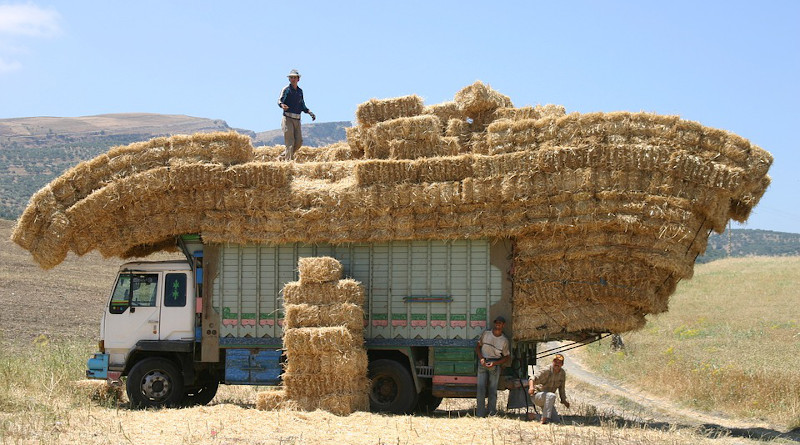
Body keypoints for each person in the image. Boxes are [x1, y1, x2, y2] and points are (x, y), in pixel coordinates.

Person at [475, 315, 511, 417]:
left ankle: (492, 413)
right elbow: (477, 347)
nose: (497, 324)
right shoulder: (486, 334)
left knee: (492, 390)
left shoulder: (504, 340)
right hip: (483, 362)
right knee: (481, 389)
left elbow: (507, 357)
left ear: (503, 325)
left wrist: (495, 363)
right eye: (496, 322)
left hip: (494, 365)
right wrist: (481, 358)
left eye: (500, 323)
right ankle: (480, 413)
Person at [277, 69, 315, 161]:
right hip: (288, 118)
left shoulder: (300, 92)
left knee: (298, 142)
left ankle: (283, 156)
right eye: (291, 77)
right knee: (290, 142)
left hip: (297, 119)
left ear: (298, 79)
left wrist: (309, 112)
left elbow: (302, 104)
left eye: (294, 77)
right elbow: (279, 100)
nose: (293, 79)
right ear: (289, 79)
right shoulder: (286, 89)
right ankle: (288, 162)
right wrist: (282, 105)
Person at [528, 354, 570, 424]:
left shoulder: (562, 373)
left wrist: (564, 400)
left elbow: (562, 388)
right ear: (553, 362)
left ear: (562, 364)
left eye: (559, 362)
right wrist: (531, 388)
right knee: (551, 396)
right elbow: (532, 378)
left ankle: (534, 416)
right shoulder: (547, 370)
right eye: (555, 361)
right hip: (537, 396)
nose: (557, 364)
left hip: (548, 399)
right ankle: (543, 421)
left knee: (556, 421)